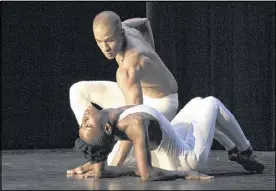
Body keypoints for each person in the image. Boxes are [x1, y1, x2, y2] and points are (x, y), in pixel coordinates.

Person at [69, 11, 179, 168]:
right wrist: (150, 53)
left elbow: (134, 118)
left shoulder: (129, 66)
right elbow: (144, 22)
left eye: (110, 41)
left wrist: (112, 166)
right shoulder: (126, 28)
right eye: (99, 41)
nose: (105, 48)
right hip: (136, 88)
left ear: (120, 34)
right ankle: (95, 142)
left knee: (116, 160)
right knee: (77, 90)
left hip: (161, 103)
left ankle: (101, 156)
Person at [67, 96, 265, 180]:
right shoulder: (133, 123)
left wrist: (93, 164)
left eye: (83, 123)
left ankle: (232, 150)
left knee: (197, 102)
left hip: (172, 143)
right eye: (88, 125)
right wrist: (186, 174)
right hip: (187, 159)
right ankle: (245, 150)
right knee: (211, 102)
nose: (84, 118)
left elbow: (101, 167)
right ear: (107, 128)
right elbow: (147, 175)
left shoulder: (111, 117)